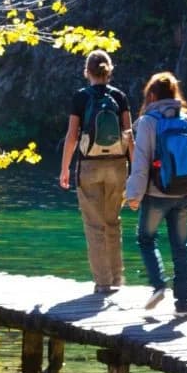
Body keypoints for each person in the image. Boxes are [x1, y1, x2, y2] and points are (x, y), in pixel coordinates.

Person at [125, 72, 187, 317]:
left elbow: (141, 163)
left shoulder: (148, 122)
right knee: (181, 247)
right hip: (183, 194)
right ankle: (183, 304)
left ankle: (159, 285)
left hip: (155, 195)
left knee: (146, 239)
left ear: (151, 95)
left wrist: (133, 195)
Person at [60, 49, 133, 294]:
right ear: (109, 71)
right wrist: (134, 169)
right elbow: (128, 135)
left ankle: (103, 283)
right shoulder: (120, 96)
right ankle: (116, 280)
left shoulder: (81, 97)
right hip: (117, 165)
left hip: (89, 165)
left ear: (87, 71)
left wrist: (65, 169)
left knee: (94, 225)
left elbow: (72, 136)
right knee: (113, 222)